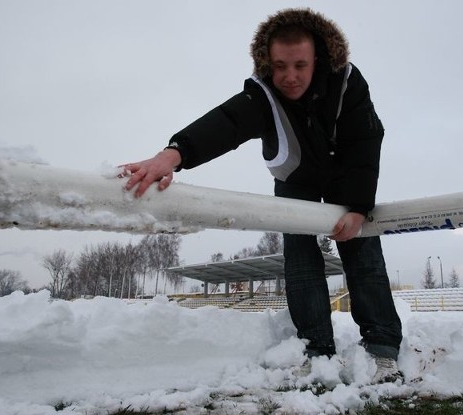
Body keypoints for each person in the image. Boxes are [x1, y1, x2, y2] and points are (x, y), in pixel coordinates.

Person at [122, 8, 403, 383]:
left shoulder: (347, 82)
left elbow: (366, 141)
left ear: (316, 58)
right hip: (296, 180)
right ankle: (316, 348)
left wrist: (358, 208)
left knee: (363, 250)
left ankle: (382, 347)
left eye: (300, 65)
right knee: (301, 259)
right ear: (268, 63)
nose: (290, 76)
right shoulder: (264, 93)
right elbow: (227, 122)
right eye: (280, 66)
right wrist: (172, 154)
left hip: (345, 176)